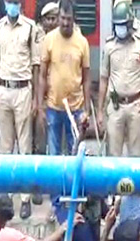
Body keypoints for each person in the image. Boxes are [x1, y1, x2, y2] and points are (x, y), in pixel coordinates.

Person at [0, 0, 41, 219]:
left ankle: (25, 198)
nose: (12, 5)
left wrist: (36, 101)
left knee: (24, 146)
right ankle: (6, 197)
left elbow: (36, 66)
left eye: (16, 2)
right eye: (9, 1)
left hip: (23, 89)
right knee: (4, 147)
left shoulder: (31, 28)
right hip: (3, 88)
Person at [99, 1, 140, 159]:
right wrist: (100, 112)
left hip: (136, 105)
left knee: (136, 155)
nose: (119, 28)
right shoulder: (109, 47)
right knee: (113, 154)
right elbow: (103, 79)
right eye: (117, 25)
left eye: (122, 25)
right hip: (115, 106)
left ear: (130, 24)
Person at [38, 0, 91, 157]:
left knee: (74, 153)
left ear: (74, 19)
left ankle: (71, 183)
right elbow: (42, 75)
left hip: (76, 108)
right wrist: (40, 107)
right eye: (62, 18)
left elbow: (87, 79)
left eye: (69, 19)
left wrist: (87, 111)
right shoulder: (49, 39)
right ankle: (56, 183)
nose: (65, 23)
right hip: (54, 107)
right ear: (59, 17)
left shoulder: (82, 42)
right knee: (54, 155)